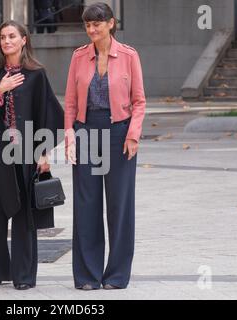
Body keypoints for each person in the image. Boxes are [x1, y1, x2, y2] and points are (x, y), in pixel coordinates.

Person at [0, 20, 63, 290]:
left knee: (23, 214)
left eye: (12, 36)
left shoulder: (36, 74)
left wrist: (44, 153)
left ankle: (23, 275)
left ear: (23, 40)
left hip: (25, 152)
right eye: (3, 37)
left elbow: (50, 113)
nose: (6, 41)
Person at [64, 3, 146, 290]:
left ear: (111, 23)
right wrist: (70, 134)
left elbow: (139, 101)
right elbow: (71, 101)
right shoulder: (78, 57)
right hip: (86, 132)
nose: (91, 29)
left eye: (97, 24)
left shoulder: (128, 56)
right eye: (87, 25)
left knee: (119, 206)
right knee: (86, 205)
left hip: (119, 134)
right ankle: (87, 276)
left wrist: (133, 134)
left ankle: (117, 275)